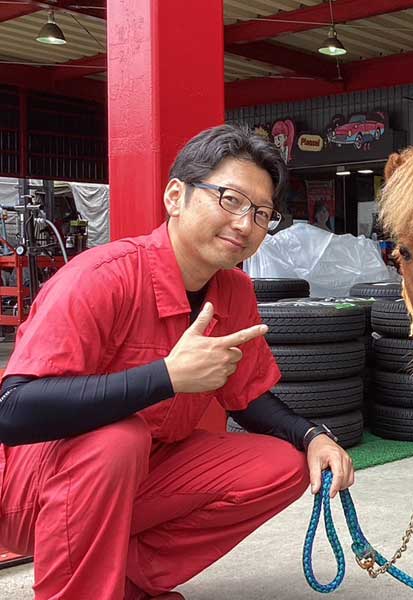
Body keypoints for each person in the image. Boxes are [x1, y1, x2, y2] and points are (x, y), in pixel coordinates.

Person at [0, 124, 355, 600]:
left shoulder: (235, 292)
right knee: (117, 439)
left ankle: (124, 583)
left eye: (261, 213)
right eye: (229, 199)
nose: (245, 224)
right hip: (32, 489)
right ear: (175, 196)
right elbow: (13, 410)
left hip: (140, 475)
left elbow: (246, 397)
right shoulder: (100, 279)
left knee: (282, 464)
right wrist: (164, 377)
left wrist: (313, 437)